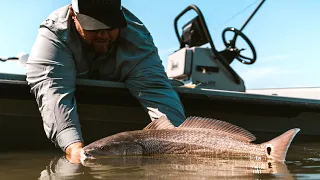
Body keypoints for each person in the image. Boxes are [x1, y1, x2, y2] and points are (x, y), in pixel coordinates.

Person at [26, 0, 186, 163]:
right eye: (93, 27)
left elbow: (157, 91)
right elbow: (55, 94)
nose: (103, 35)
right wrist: (74, 148)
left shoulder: (137, 37)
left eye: (110, 27)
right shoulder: (54, 33)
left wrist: (180, 143)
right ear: (73, 15)